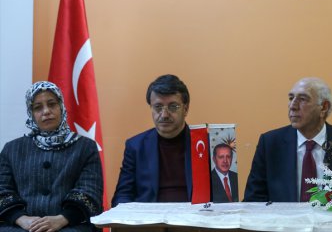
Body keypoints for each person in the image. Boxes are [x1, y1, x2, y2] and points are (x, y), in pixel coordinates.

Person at [244, 77, 332, 202]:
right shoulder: (270, 144)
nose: (292, 106)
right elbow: (253, 201)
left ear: (324, 107)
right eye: (291, 98)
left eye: (302, 99)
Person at [0, 81, 102, 232]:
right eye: (38, 107)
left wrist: (61, 219)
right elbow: (2, 190)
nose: (46, 111)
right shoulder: (12, 149)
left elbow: (90, 191)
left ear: (61, 107)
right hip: (21, 227)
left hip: (72, 225)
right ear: (31, 114)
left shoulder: (85, 147)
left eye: (52, 104)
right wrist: (22, 219)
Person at [112, 74, 192, 206]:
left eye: (173, 107)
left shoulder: (205, 144)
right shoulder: (135, 147)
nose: (164, 115)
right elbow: (122, 196)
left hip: (193, 217)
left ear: (186, 108)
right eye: (158, 107)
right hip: (149, 217)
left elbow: (220, 194)